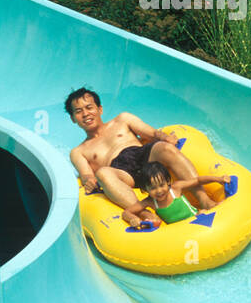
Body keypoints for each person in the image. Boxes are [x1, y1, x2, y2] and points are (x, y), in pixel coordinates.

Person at [65, 87, 220, 213]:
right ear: (73, 118)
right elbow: (86, 175)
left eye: (89, 107)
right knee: (102, 173)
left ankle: (204, 200)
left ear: (100, 109)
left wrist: (165, 137)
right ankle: (144, 214)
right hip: (121, 172)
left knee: (166, 148)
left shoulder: (122, 119)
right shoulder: (78, 151)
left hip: (143, 156)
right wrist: (89, 181)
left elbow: (152, 133)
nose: (85, 114)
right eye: (78, 111)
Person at [120, 162, 234, 228]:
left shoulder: (176, 188)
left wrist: (219, 179)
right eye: (153, 188)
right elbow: (127, 212)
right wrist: (133, 219)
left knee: (205, 211)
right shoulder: (150, 202)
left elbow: (198, 181)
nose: (159, 190)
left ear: (168, 182)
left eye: (161, 185)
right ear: (146, 189)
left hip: (196, 217)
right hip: (179, 232)